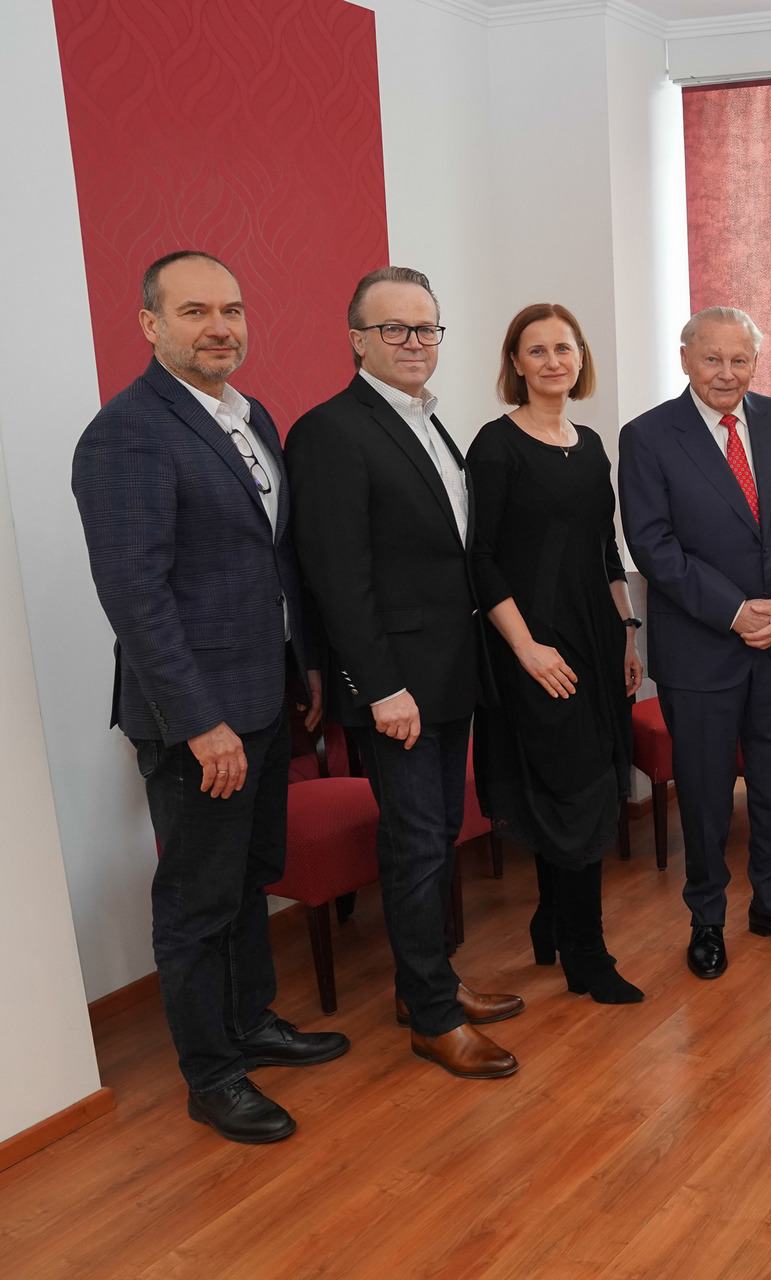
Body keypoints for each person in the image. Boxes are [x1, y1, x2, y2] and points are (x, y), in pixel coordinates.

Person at [73, 250, 345, 1144]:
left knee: (248, 878)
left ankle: (251, 1022)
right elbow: (135, 597)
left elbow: (271, 557)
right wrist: (200, 723)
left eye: (230, 309)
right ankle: (212, 1074)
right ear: (151, 325)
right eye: (194, 312)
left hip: (265, 692)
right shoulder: (127, 434)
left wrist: (304, 663)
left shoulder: (249, 415)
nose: (219, 327)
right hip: (199, 718)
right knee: (196, 902)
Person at [287, 266, 523, 1081]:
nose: (414, 341)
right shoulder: (330, 431)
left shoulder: (428, 421)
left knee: (436, 836)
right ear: (358, 340)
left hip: (449, 672)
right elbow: (337, 577)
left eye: (426, 327)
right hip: (398, 687)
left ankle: (430, 984)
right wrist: (380, 688)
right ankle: (431, 1017)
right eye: (394, 328)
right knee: (417, 843)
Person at [622, 307, 771, 978]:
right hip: (701, 649)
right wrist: (735, 612)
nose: (726, 373)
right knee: (706, 795)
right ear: (685, 358)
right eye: (712, 358)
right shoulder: (647, 435)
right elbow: (653, 546)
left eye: (740, 359)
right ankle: (706, 919)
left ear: (755, 362)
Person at [468, 303, 644, 1003]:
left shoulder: (591, 443)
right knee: (572, 791)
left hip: (597, 640)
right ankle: (586, 954)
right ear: (515, 362)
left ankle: (551, 921)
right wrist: (527, 649)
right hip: (536, 645)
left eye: (563, 348)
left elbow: (606, 549)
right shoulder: (495, 445)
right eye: (536, 350)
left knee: (588, 781)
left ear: (580, 358)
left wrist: (628, 631)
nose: (552, 361)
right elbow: (480, 559)